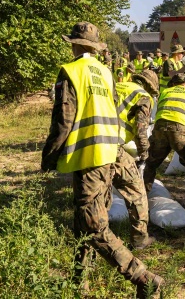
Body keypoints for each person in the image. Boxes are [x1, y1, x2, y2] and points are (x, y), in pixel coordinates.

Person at [41, 22, 163, 297]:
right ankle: (79, 282)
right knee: (84, 220)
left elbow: (64, 120)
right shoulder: (106, 73)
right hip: (111, 153)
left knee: (94, 227)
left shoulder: (70, 71)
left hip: (90, 157)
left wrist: (48, 157)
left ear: (74, 44)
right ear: (95, 47)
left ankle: (144, 278)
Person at [143, 73, 185, 213]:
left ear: (172, 84)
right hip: (181, 131)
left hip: (159, 129)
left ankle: (141, 199)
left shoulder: (164, 92)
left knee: (150, 165)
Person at [114, 70, 160, 250]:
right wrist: (144, 152)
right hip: (113, 146)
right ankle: (140, 238)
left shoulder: (116, 87)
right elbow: (141, 128)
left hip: (92, 143)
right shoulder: (142, 96)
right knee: (137, 193)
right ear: (150, 86)